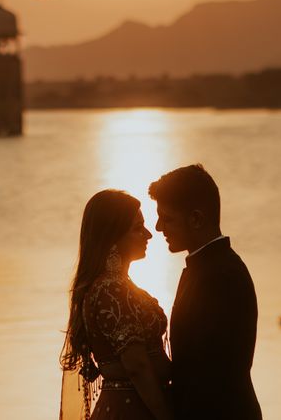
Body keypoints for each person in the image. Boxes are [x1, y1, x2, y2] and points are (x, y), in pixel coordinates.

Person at [149, 164, 262, 420]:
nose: (158, 227)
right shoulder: (201, 268)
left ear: (196, 219)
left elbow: (213, 372)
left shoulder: (221, 276)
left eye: (167, 218)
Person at [60, 190, 174, 420]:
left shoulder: (114, 287)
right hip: (132, 410)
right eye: (137, 228)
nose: (148, 234)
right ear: (113, 237)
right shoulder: (111, 291)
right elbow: (137, 367)